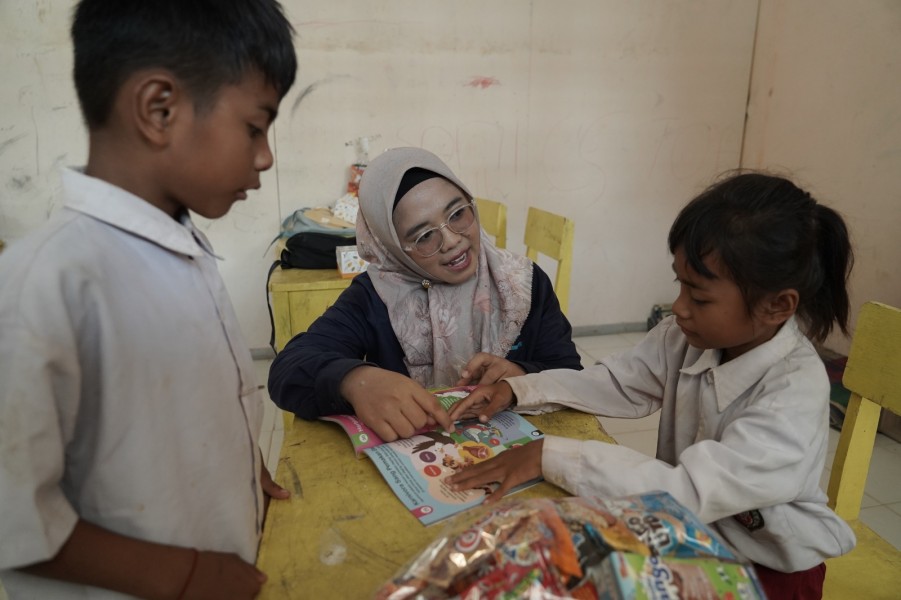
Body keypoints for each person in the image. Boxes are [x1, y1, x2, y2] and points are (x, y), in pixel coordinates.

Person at [0, 1, 297, 598]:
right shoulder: (46, 284)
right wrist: (186, 575)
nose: (265, 156)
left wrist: (237, 464)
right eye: (254, 126)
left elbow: (175, 410)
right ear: (159, 110)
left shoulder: (180, 246)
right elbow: (14, 513)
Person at [446, 172, 857, 600]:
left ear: (776, 305)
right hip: (691, 535)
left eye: (699, 297)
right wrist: (521, 389)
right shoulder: (687, 336)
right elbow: (617, 384)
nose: (679, 308)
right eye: (680, 284)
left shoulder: (793, 394)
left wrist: (550, 455)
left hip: (768, 568)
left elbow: (689, 492)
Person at [268, 147, 582, 442]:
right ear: (391, 246)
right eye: (423, 236)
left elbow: (570, 374)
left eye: (458, 214)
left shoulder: (522, 284)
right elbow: (288, 370)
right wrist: (355, 381)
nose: (451, 240)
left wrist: (521, 379)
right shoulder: (375, 297)